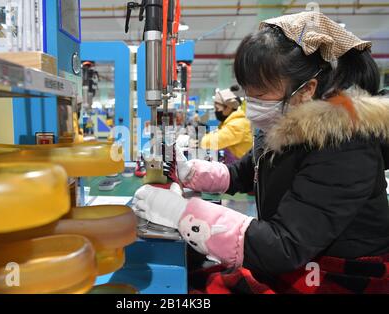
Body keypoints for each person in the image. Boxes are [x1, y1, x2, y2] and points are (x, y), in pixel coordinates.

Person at [133, 11, 389, 293]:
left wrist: (184, 214)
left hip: (339, 275)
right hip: (299, 258)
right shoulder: (285, 125)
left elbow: (285, 246)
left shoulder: (344, 146)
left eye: (261, 92)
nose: (251, 103)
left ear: (307, 90)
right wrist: (193, 172)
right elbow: (245, 172)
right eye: (247, 91)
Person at [199, 88, 252, 164]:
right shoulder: (231, 122)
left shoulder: (238, 124)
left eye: (217, 108)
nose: (216, 111)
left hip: (242, 170)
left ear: (228, 107)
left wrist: (197, 141)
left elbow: (216, 141)